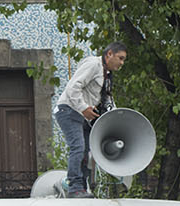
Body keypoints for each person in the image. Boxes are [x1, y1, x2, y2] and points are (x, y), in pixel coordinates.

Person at [54, 42, 127, 197]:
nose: (122, 63)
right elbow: (73, 87)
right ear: (109, 54)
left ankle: (81, 187)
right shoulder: (94, 64)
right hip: (69, 110)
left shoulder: (106, 75)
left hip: (83, 116)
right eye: (120, 58)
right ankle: (74, 187)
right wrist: (83, 108)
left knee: (86, 152)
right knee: (78, 147)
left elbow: (106, 100)